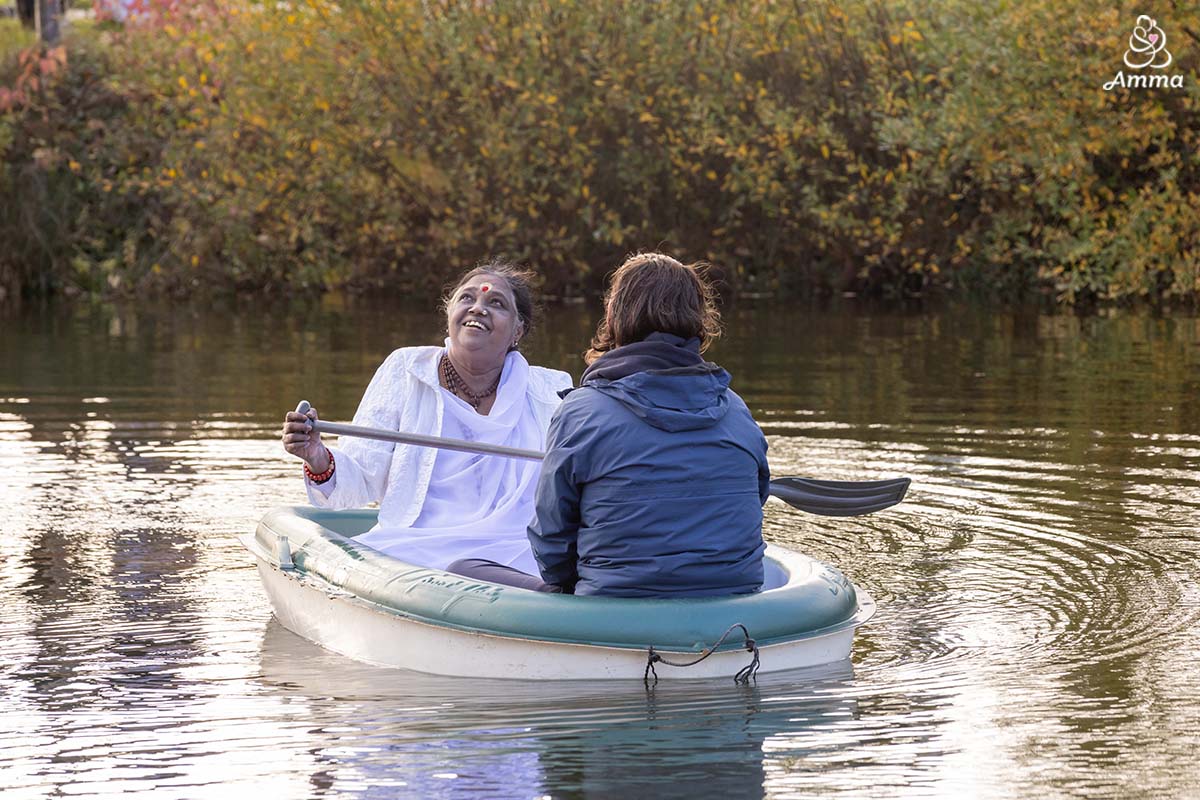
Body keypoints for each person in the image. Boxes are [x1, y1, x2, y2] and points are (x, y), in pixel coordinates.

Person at [450, 252, 768, 596]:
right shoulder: (736, 409)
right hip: (732, 601)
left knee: (462, 568)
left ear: (614, 315)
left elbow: (552, 541)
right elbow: (758, 497)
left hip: (615, 606)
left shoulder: (582, 410)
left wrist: (576, 584)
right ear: (699, 320)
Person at [281, 261, 572, 581]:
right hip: (415, 551)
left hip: (517, 551)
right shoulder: (405, 369)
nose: (479, 308)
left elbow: (569, 487)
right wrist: (317, 456)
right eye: (467, 298)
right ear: (449, 313)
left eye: (496, 303)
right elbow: (361, 480)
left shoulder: (550, 390)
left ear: (517, 330)